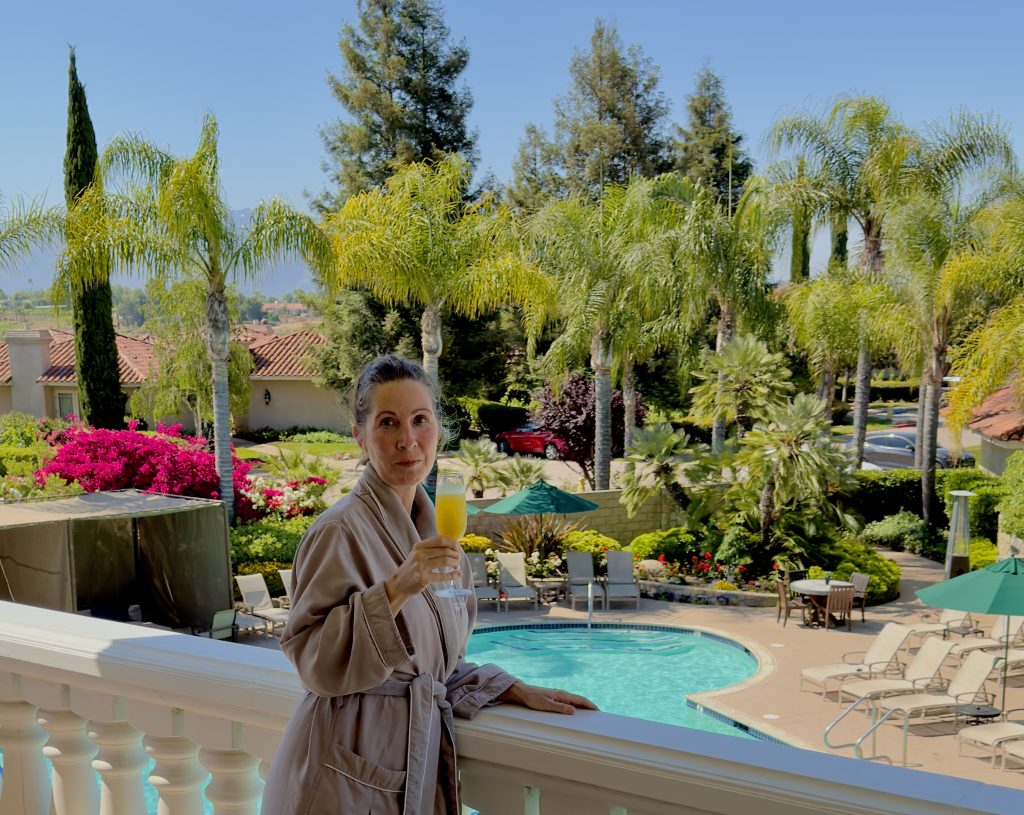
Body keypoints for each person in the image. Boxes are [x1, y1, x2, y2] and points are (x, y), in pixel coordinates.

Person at [261, 354, 595, 815]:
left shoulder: (438, 534)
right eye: (387, 423)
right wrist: (397, 588)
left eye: (420, 420)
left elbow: (437, 665)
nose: (407, 440)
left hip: (407, 764)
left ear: (439, 429)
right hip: (341, 774)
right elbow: (312, 662)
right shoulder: (338, 531)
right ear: (361, 436)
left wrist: (507, 687)